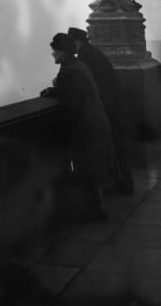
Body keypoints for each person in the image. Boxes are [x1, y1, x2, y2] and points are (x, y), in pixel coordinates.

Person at [40, 33, 117, 220]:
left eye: (55, 50)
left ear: (64, 52)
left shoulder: (69, 72)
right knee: (93, 168)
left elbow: (73, 103)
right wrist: (56, 90)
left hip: (86, 127)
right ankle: (97, 208)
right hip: (95, 123)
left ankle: (95, 210)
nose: (52, 54)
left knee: (88, 168)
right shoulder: (78, 66)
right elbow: (74, 91)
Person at [67, 27, 134, 194]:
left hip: (107, 107)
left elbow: (84, 84)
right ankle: (124, 185)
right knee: (117, 148)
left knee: (112, 149)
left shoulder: (85, 56)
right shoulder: (92, 52)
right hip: (114, 105)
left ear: (77, 42)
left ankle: (121, 186)